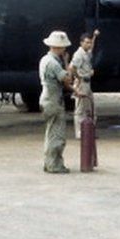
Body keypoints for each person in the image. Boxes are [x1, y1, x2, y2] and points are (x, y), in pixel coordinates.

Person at [39, 31, 73, 174]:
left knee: (50, 133)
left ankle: (49, 163)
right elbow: (67, 78)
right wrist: (66, 62)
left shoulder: (44, 60)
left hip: (47, 98)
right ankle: (55, 165)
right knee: (57, 135)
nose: (65, 49)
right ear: (58, 48)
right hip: (53, 100)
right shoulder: (54, 63)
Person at [69, 30, 99, 139]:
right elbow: (71, 68)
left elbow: (92, 48)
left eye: (90, 42)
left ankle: (89, 131)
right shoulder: (79, 55)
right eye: (86, 42)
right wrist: (78, 77)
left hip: (87, 83)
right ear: (81, 43)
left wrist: (94, 36)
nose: (89, 44)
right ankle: (80, 133)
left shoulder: (86, 52)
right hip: (82, 83)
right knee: (80, 109)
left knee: (90, 108)